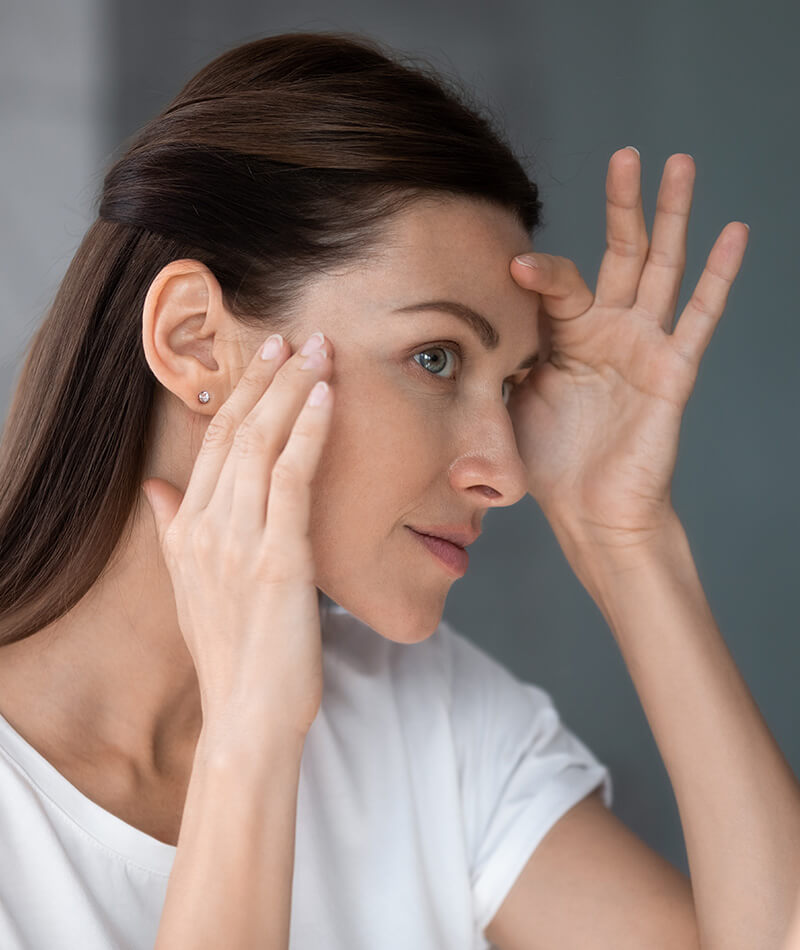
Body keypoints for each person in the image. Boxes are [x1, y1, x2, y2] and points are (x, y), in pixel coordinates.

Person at [0, 28, 796, 950]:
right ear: (192, 341)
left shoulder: (428, 716)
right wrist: (251, 735)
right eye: (434, 357)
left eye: (508, 385)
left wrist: (626, 539)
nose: (503, 472)